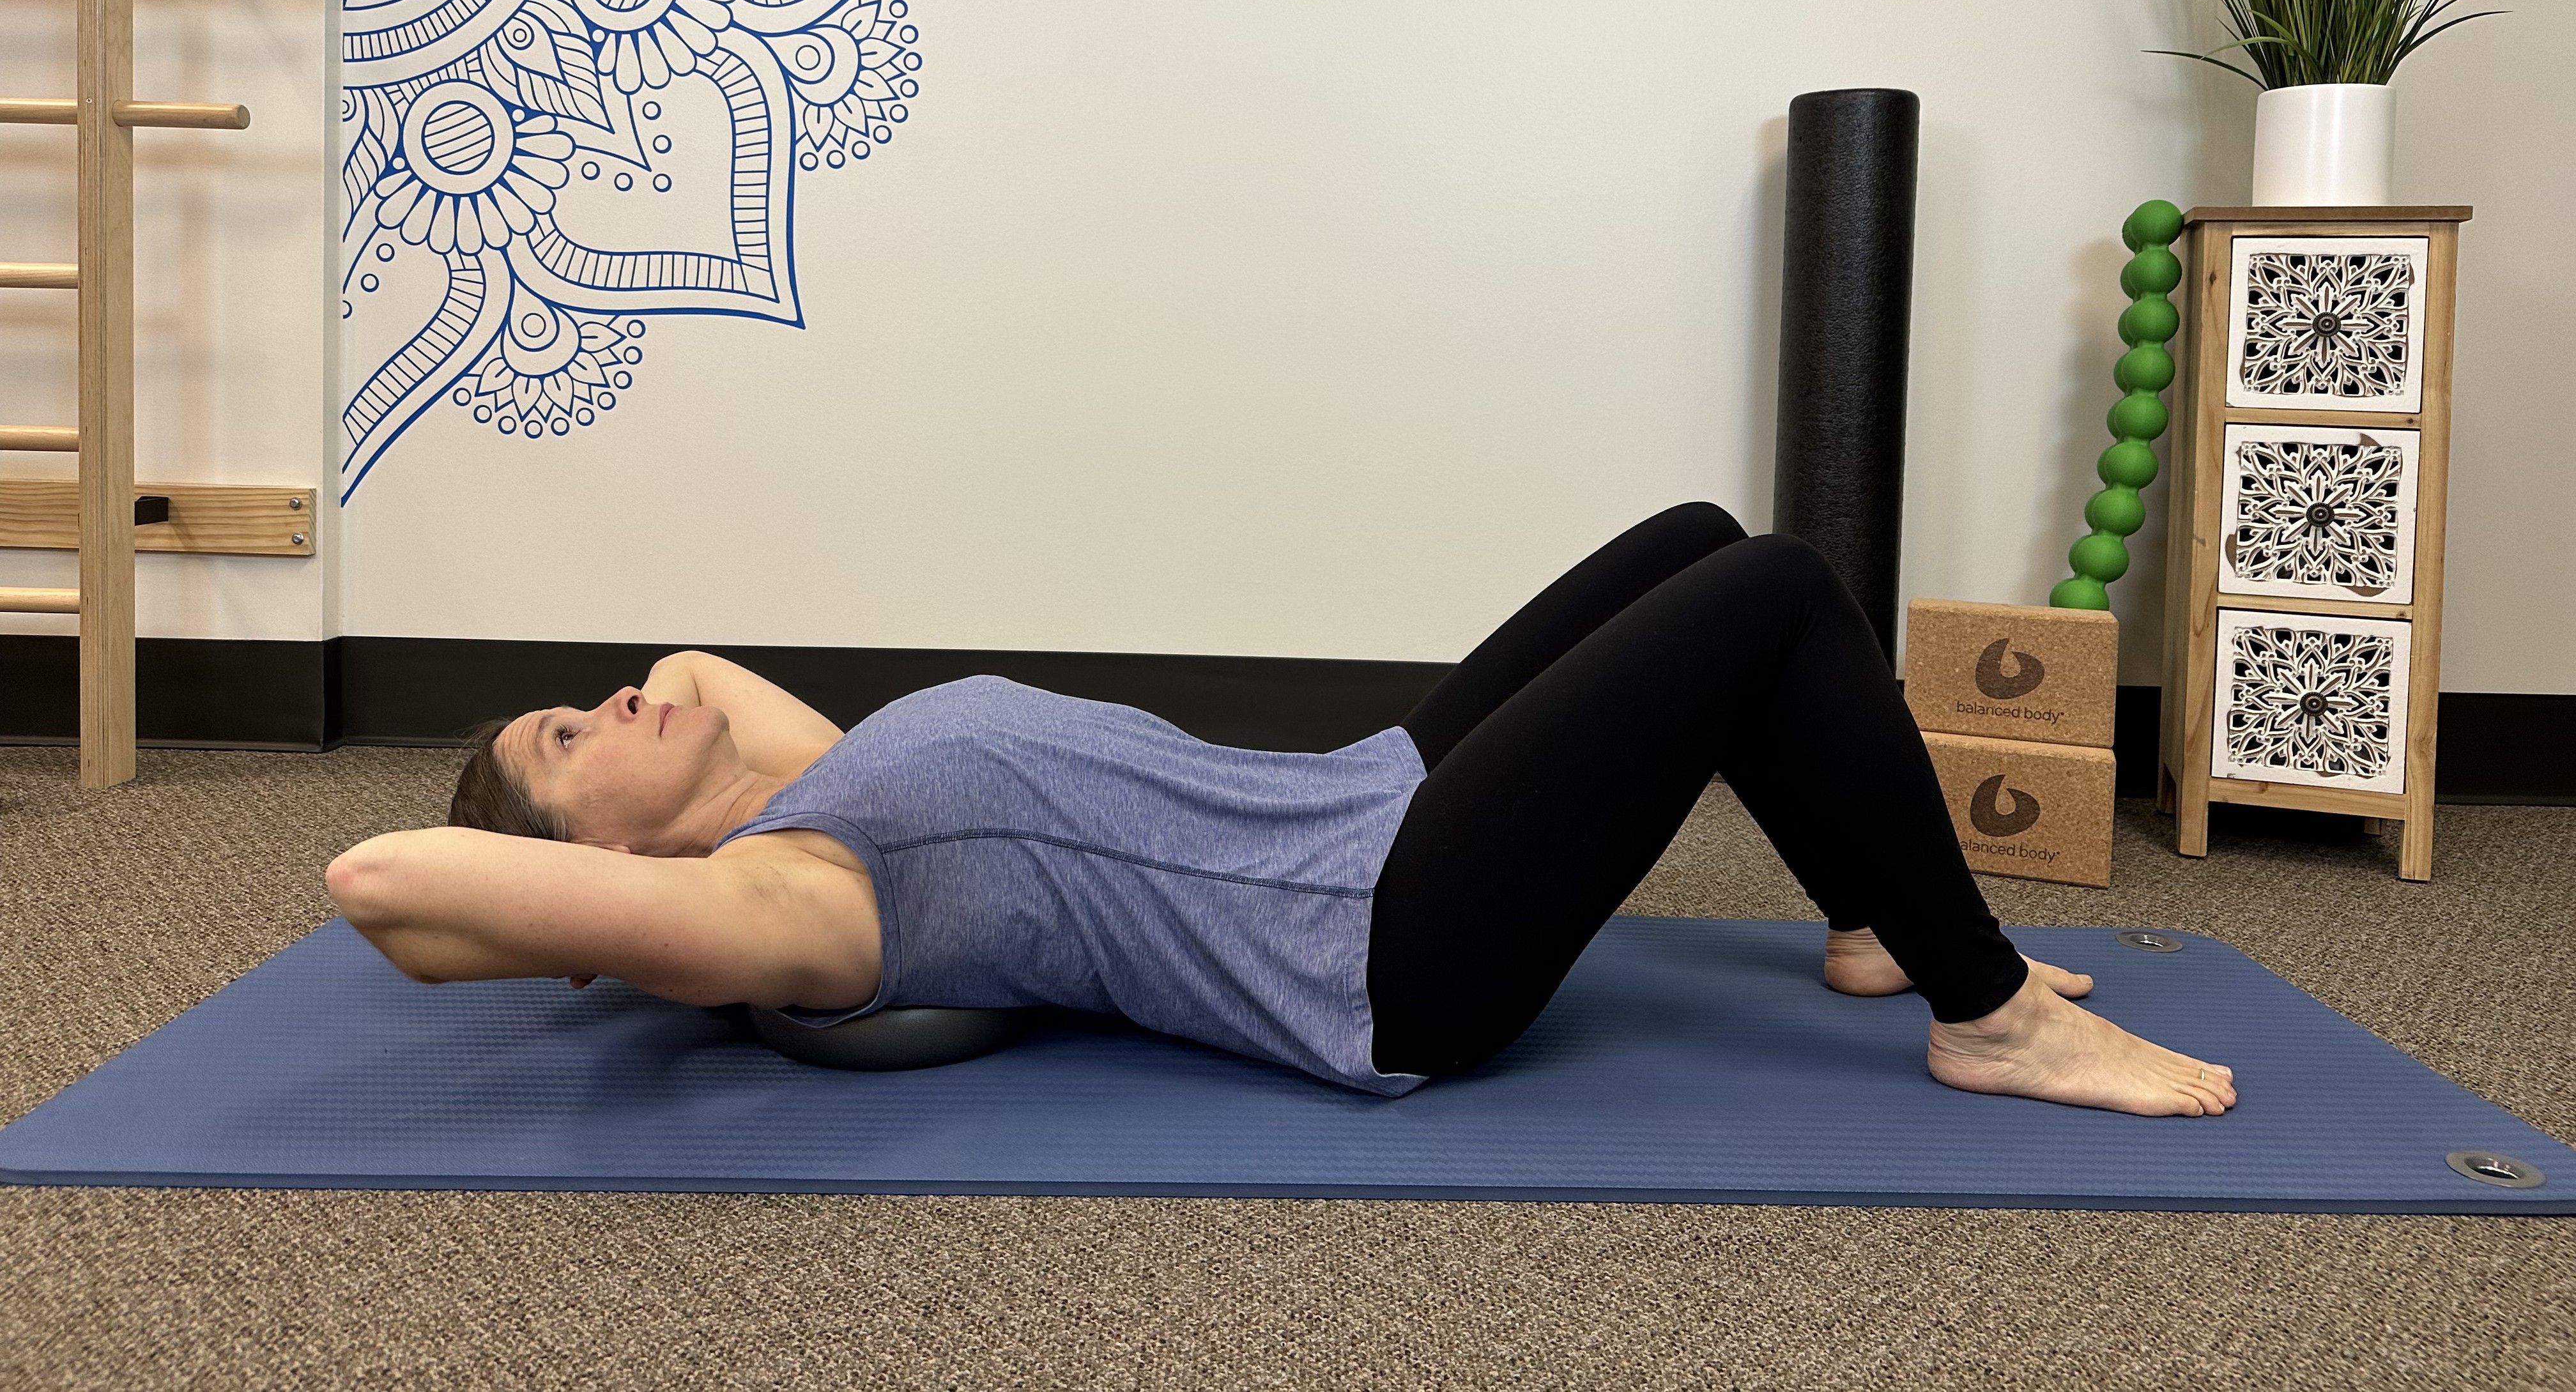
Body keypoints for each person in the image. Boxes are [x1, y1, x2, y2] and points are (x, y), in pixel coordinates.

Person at [327, 503, 2236, 1116]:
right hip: (1377, 950)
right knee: (1780, 595)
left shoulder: (802, 773)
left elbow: (701, 674)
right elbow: (382, 878)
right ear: (604, 871)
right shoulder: (783, 904)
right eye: (569, 738)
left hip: (1358, 797)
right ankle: (1983, 1012)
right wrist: (573, 862)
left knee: (1696, 542)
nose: (614, 696)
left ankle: (1869, 912)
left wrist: (627, 756)